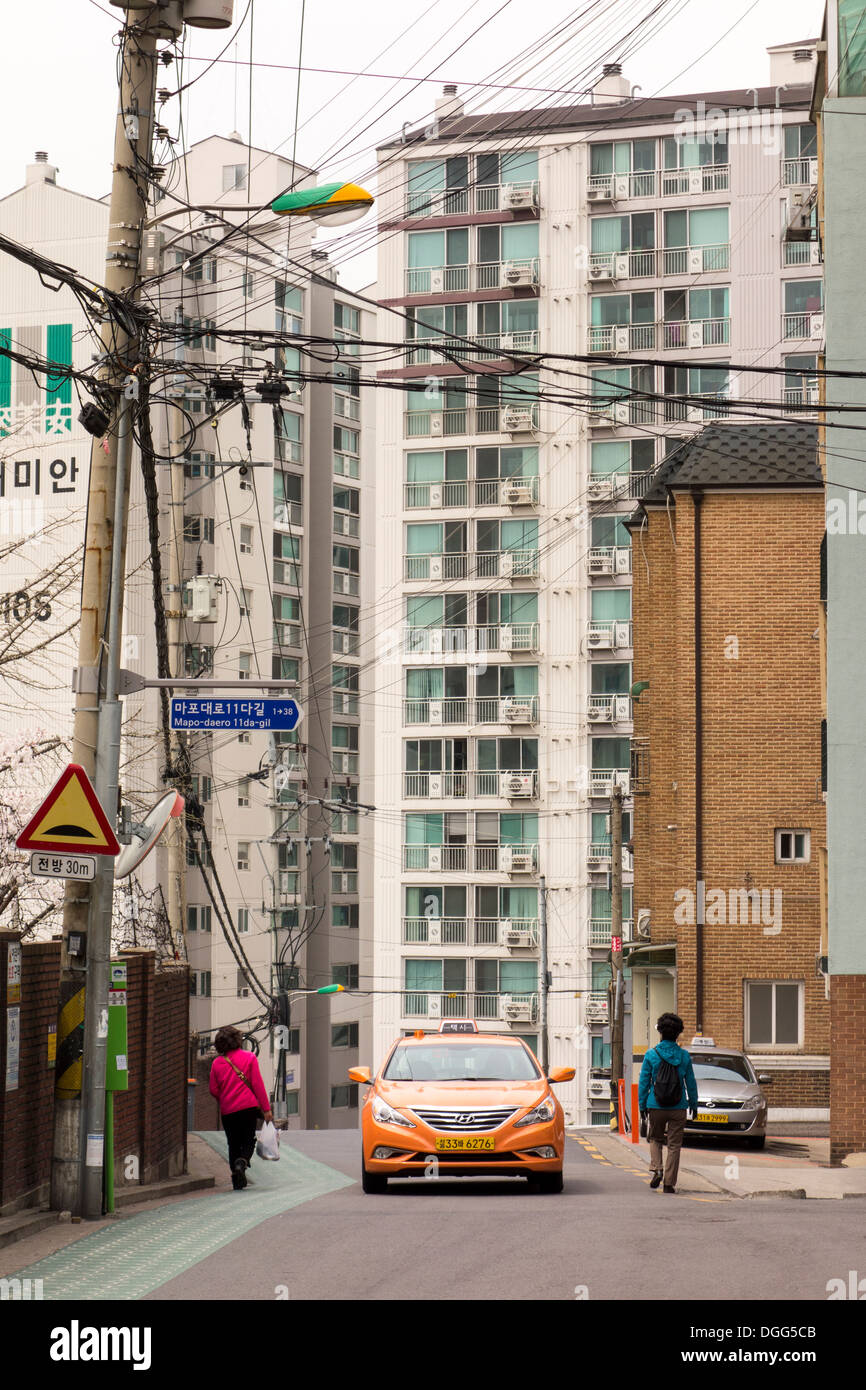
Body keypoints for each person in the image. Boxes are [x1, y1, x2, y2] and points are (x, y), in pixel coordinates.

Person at [638, 1012, 698, 1193]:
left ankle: (657, 1168)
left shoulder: (651, 1055)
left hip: (656, 1105)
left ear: (661, 1032)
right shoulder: (684, 1056)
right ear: (678, 1033)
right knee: (674, 1145)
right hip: (678, 1106)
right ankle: (669, 1183)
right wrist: (693, 1104)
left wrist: (642, 1106)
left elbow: (644, 1083)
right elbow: (691, 1082)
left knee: (655, 1138)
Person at [209, 1026, 273, 1190]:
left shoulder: (217, 1063)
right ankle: (242, 1162)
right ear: (238, 1040)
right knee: (248, 1139)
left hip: (228, 1111)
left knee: (233, 1143)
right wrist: (266, 1110)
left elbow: (213, 1090)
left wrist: (224, 1099)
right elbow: (258, 1085)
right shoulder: (250, 1058)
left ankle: (237, 1178)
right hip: (248, 1108)